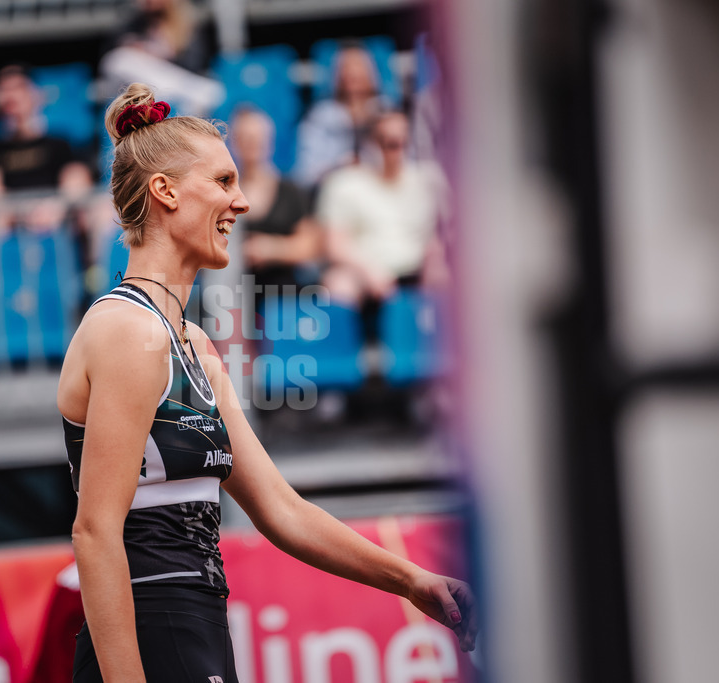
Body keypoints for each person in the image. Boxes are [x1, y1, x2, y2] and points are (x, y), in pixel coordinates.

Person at [55, 83, 476, 682]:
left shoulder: (194, 344)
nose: (244, 202)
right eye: (224, 182)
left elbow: (282, 511)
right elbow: (96, 532)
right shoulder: (125, 329)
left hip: (196, 623)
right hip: (147, 630)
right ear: (165, 192)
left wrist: (412, 581)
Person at [316, 108, 451, 334]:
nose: (396, 150)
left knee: (447, 278)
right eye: (388, 142)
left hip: (416, 270)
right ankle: (346, 360)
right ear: (370, 143)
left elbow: (439, 236)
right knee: (338, 286)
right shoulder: (344, 183)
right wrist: (369, 271)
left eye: (402, 142)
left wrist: (434, 260)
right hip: (363, 271)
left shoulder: (427, 181)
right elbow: (335, 245)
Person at [0, 64, 96, 278]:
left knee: (81, 184)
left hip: (57, 215)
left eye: (18, 88)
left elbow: (78, 180)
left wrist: (56, 207)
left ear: (35, 95)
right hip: (7, 218)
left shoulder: (59, 143)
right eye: (4, 90)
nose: (11, 96)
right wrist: (18, 212)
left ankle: (93, 276)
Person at [229, 107, 321, 301]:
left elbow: (310, 246)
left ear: (269, 141)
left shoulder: (290, 190)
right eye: (245, 138)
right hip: (231, 291)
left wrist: (270, 249)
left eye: (257, 138)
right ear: (235, 143)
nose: (252, 144)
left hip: (281, 294)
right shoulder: (223, 192)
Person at [293, 44, 388, 190]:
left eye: (358, 65)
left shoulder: (386, 111)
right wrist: (340, 168)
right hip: (335, 191)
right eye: (345, 67)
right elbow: (306, 173)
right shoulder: (320, 116)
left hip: (380, 189)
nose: (351, 73)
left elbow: (404, 162)